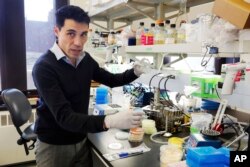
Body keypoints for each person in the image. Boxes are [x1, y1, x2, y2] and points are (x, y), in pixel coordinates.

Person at [32, 5, 145, 167]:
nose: (78, 42)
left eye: (83, 34)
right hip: (54, 145)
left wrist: (135, 72)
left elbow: (111, 79)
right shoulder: (44, 67)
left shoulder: (85, 60)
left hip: (81, 139)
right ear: (56, 31)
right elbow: (65, 117)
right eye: (71, 33)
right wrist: (110, 120)